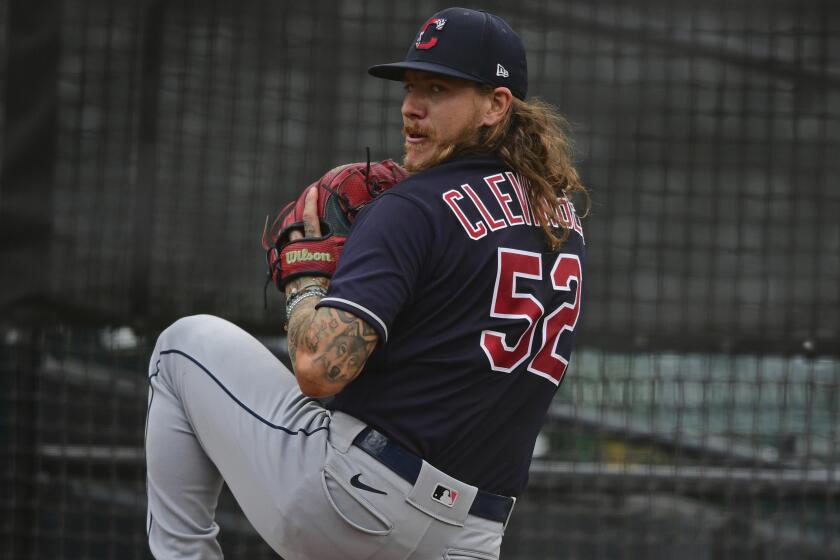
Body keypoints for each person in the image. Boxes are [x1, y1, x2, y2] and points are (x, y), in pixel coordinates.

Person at [145, 7, 588, 559]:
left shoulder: (412, 207)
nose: (411, 107)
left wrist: (306, 281)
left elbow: (318, 370)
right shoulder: (560, 222)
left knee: (182, 347)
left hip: (356, 507)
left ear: (495, 106)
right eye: (409, 87)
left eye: (438, 88)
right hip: (472, 539)